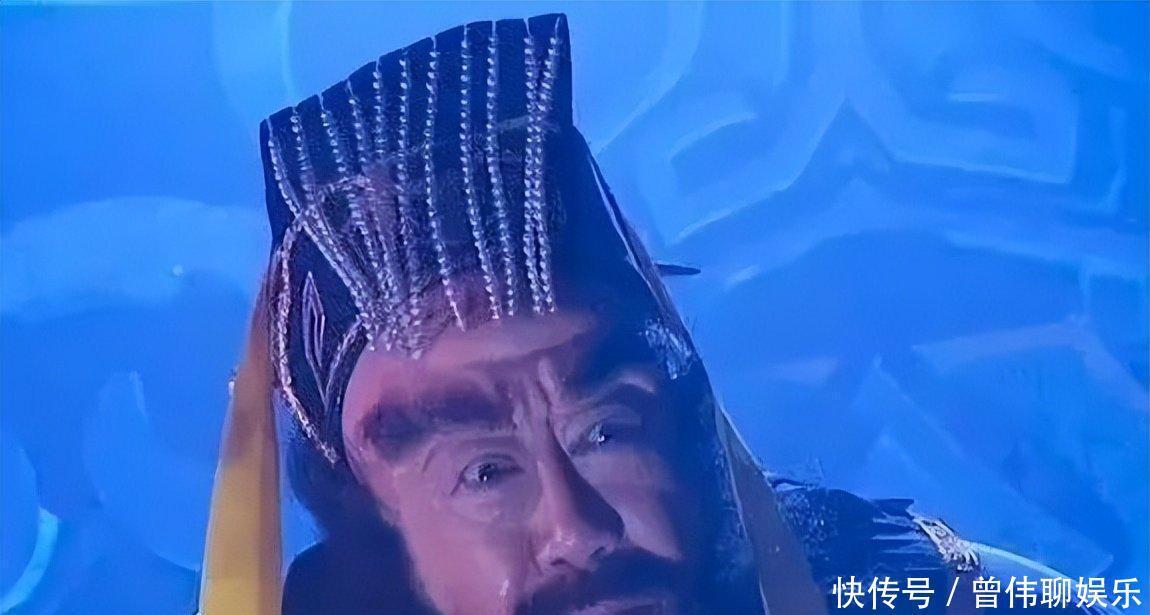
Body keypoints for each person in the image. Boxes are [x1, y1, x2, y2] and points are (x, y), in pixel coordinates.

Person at [198, 14, 1118, 615]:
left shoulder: (910, 591)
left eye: (606, 430)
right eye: (485, 470)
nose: (577, 529)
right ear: (375, 527)